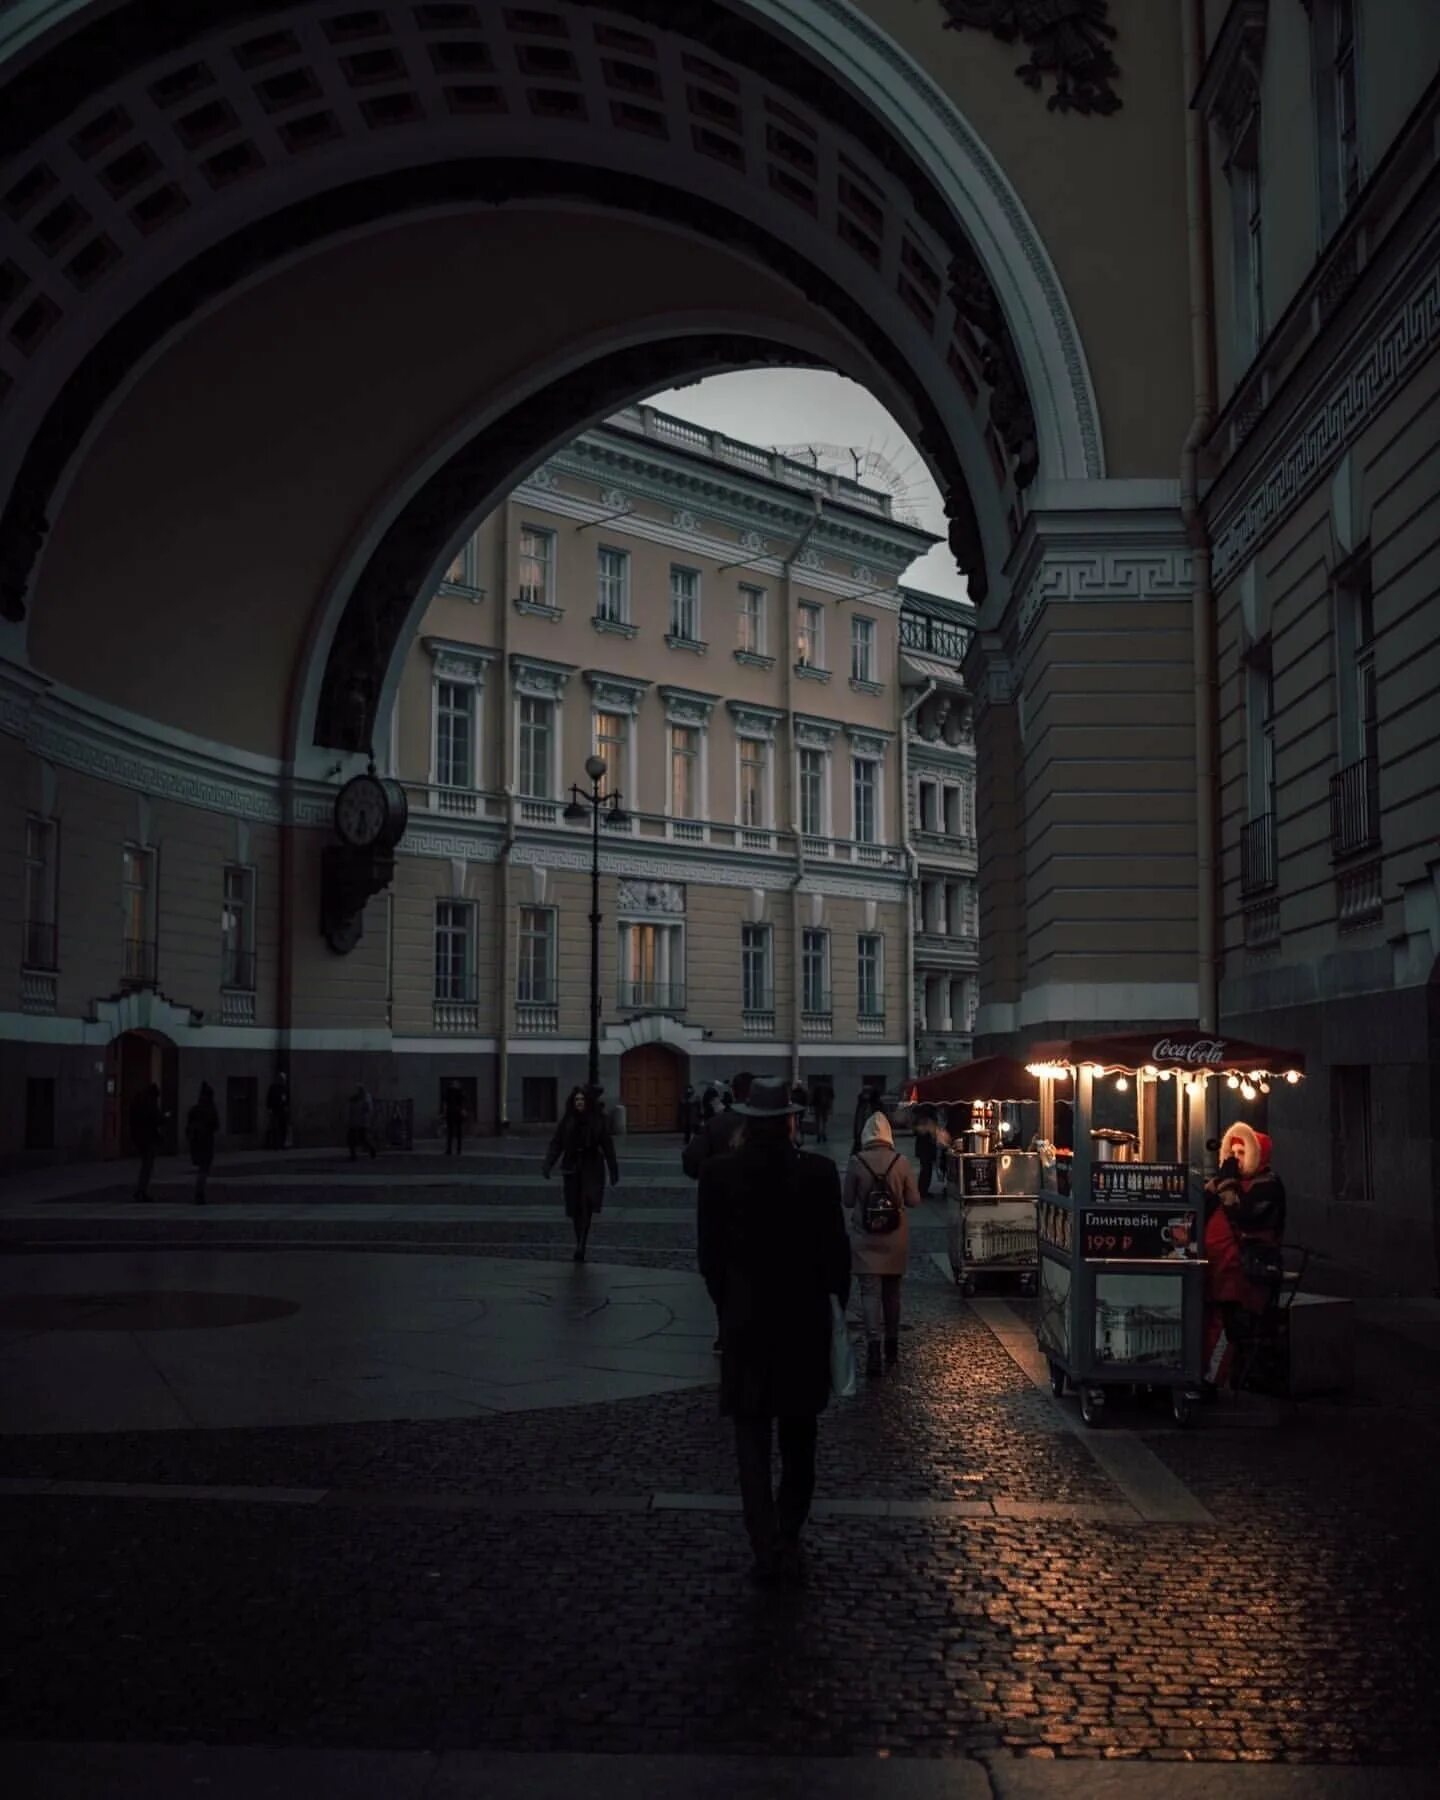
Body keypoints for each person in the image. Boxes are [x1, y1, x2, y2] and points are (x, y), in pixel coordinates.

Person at [698, 1078, 851, 1588]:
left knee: (750, 1440)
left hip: (745, 1325)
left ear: (747, 1121)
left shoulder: (719, 1176)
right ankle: (788, 1530)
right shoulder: (819, 1174)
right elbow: (836, 1256)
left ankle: (763, 1541)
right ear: (791, 1122)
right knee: (800, 1439)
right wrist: (832, 1309)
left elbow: (709, 1259)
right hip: (802, 1327)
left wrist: (729, 1305)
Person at [1202, 1120, 1286, 1390]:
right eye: (1232, 1153)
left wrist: (1227, 1184)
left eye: (1242, 1154)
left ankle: (1214, 1380)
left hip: (1244, 1273)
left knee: (1228, 1326)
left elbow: (1246, 1215)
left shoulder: (1267, 1186)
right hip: (1217, 1268)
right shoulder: (1229, 1183)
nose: (1236, 1160)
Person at [843, 1111, 922, 1378]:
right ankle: (892, 1345)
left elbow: (848, 1201)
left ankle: (873, 1346)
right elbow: (914, 1201)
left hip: (865, 1236)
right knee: (892, 1293)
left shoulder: (857, 1162)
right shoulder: (901, 1162)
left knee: (869, 1293)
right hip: (894, 1236)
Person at [543, 1086, 620, 1262]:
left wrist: (614, 1170)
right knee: (575, 1208)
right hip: (571, 1166)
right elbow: (557, 1143)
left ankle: (582, 1244)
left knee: (587, 1202)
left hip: (592, 1166)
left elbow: (608, 1146)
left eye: (582, 1100)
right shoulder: (567, 1120)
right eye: (577, 1100)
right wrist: (548, 1164)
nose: (579, 1103)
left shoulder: (597, 1120)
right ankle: (579, 1240)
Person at [186, 1082, 220, 1205]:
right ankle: (199, 1193)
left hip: (196, 1142)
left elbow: (188, 1126)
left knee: (202, 1168)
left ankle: (199, 1192)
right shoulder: (210, 1109)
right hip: (206, 1141)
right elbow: (215, 1125)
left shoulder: (195, 1109)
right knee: (204, 1169)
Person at [130, 1081, 163, 1202]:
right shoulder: (150, 1105)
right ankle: (141, 1191)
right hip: (148, 1139)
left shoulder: (138, 1103)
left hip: (139, 1138)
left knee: (145, 1166)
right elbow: (157, 1119)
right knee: (147, 1167)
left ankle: (141, 1190)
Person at [347, 1084, 377, 1161]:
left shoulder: (366, 1098)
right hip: (354, 1122)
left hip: (362, 1122)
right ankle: (353, 1155)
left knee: (363, 1138)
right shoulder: (353, 1099)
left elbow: (368, 1110)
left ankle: (372, 1149)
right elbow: (350, 1110)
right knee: (352, 1139)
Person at [851, 1084, 879, 1155]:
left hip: (872, 1135)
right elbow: (858, 1121)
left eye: (868, 1092)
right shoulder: (861, 1104)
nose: (866, 1095)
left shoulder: (876, 1105)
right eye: (865, 1092)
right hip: (862, 1135)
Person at [265, 1070, 289, 1150]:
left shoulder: (284, 1088)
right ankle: (274, 1145)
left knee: (283, 1127)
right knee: (274, 1127)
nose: (283, 1081)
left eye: (283, 1079)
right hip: (275, 1109)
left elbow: (285, 1099)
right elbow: (269, 1098)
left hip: (281, 1109)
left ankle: (282, 1144)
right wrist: (269, 1108)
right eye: (282, 1079)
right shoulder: (273, 1087)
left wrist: (286, 1106)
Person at [443, 1083, 467, 1156]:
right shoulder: (460, 1092)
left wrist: (445, 1112)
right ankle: (458, 1150)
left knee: (450, 1132)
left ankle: (449, 1150)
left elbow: (445, 1103)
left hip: (451, 1113)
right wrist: (463, 1110)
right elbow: (463, 1103)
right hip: (458, 1113)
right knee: (458, 1132)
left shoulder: (449, 1092)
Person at [811, 1081, 833, 1145]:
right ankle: (824, 1135)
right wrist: (829, 1106)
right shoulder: (829, 1087)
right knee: (824, 1122)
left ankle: (818, 1135)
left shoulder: (816, 1087)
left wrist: (812, 1105)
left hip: (817, 1106)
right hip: (825, 1107)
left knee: (817, 1122)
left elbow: (813, 1096)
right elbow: (832, 1097)